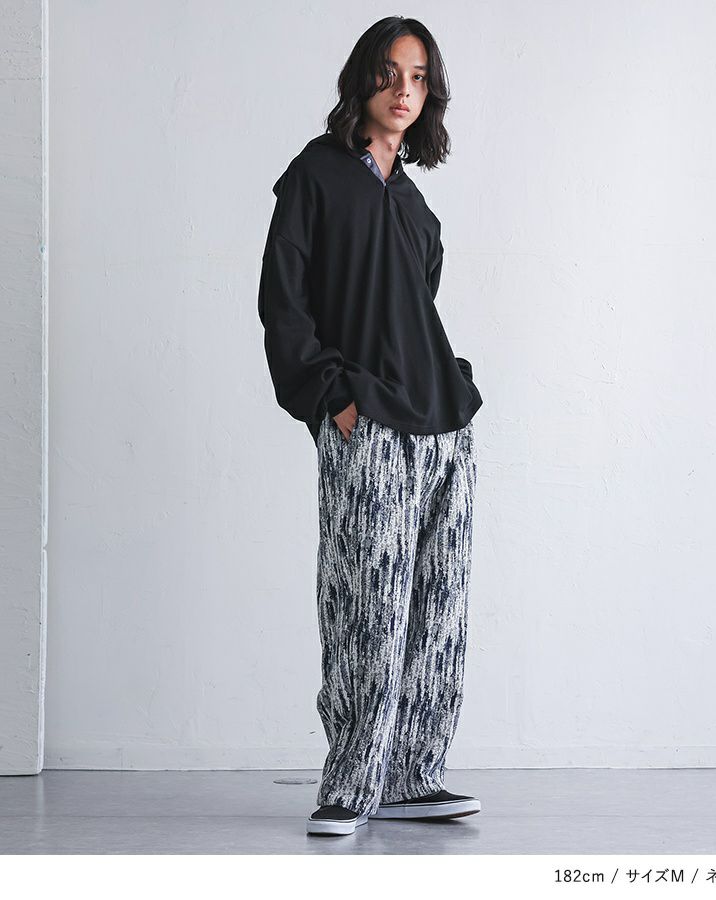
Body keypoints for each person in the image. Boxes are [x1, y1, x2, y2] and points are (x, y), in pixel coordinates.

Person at [258, 15, 483, 837]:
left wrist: (454, 385)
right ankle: (352, 781)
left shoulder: (415, 206)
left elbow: (413, 314)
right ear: (363, 80)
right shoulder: (316, 176)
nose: (403, 90)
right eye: (390, 73)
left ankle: (413, 775)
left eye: (419, 78)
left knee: (437, 610)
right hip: (369, 425)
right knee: (366, 603)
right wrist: (332, 397)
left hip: (444, 427)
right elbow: (284, 303)